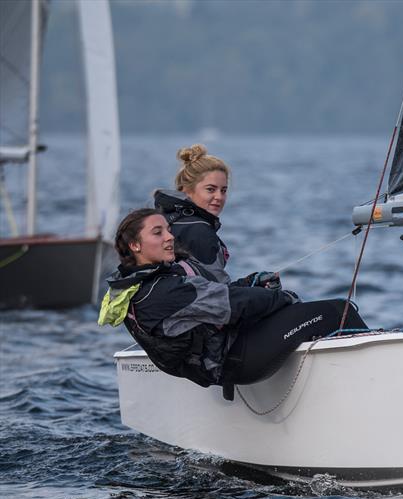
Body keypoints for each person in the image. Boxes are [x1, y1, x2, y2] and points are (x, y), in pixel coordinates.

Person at [99, 208, 368, 400]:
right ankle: (371, 389)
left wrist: (250, 283)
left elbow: (213, 296)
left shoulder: (134, 288)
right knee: (338, 311)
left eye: (168, 230)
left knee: (299, 315)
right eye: (158, 233)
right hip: (237, 360)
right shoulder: (164, 291)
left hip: (224, 357)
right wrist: (283, 297)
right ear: (135, 245)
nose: (169, 237)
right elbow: (233, 304)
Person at [153, 144, 231, 282]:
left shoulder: (163, 219)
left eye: (223, 190)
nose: (219, 197)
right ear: (186, 190)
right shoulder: (199, 231)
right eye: (210, 189)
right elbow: (220, 291)